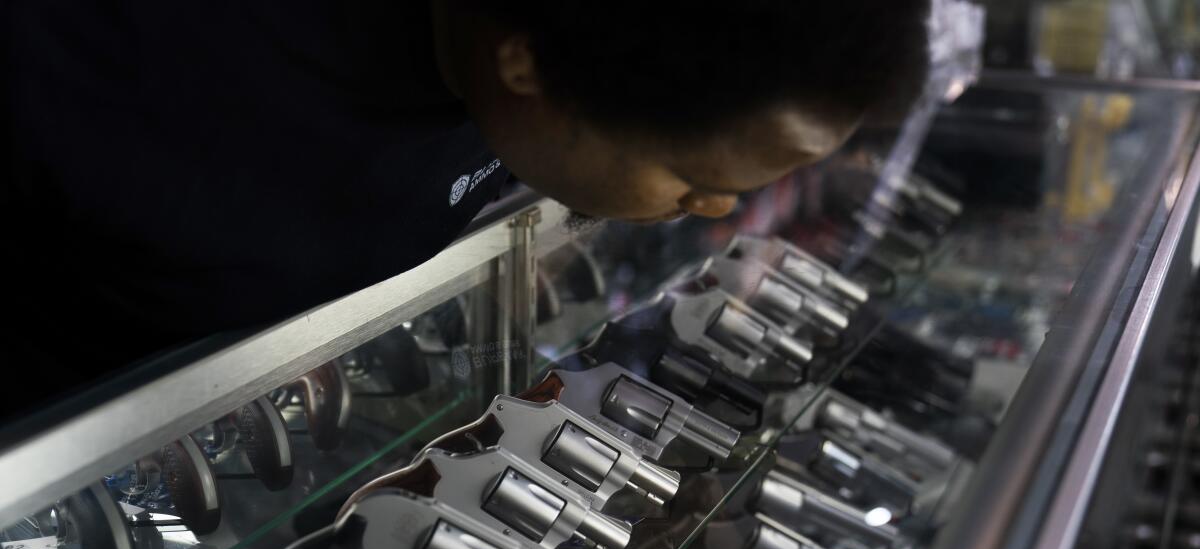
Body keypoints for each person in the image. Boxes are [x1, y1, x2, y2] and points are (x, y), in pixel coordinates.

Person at [0, 0, 929, 422]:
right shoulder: (123, 68)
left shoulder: (503, 62)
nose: (718, 207)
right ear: (530, 72)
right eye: (689, 177)